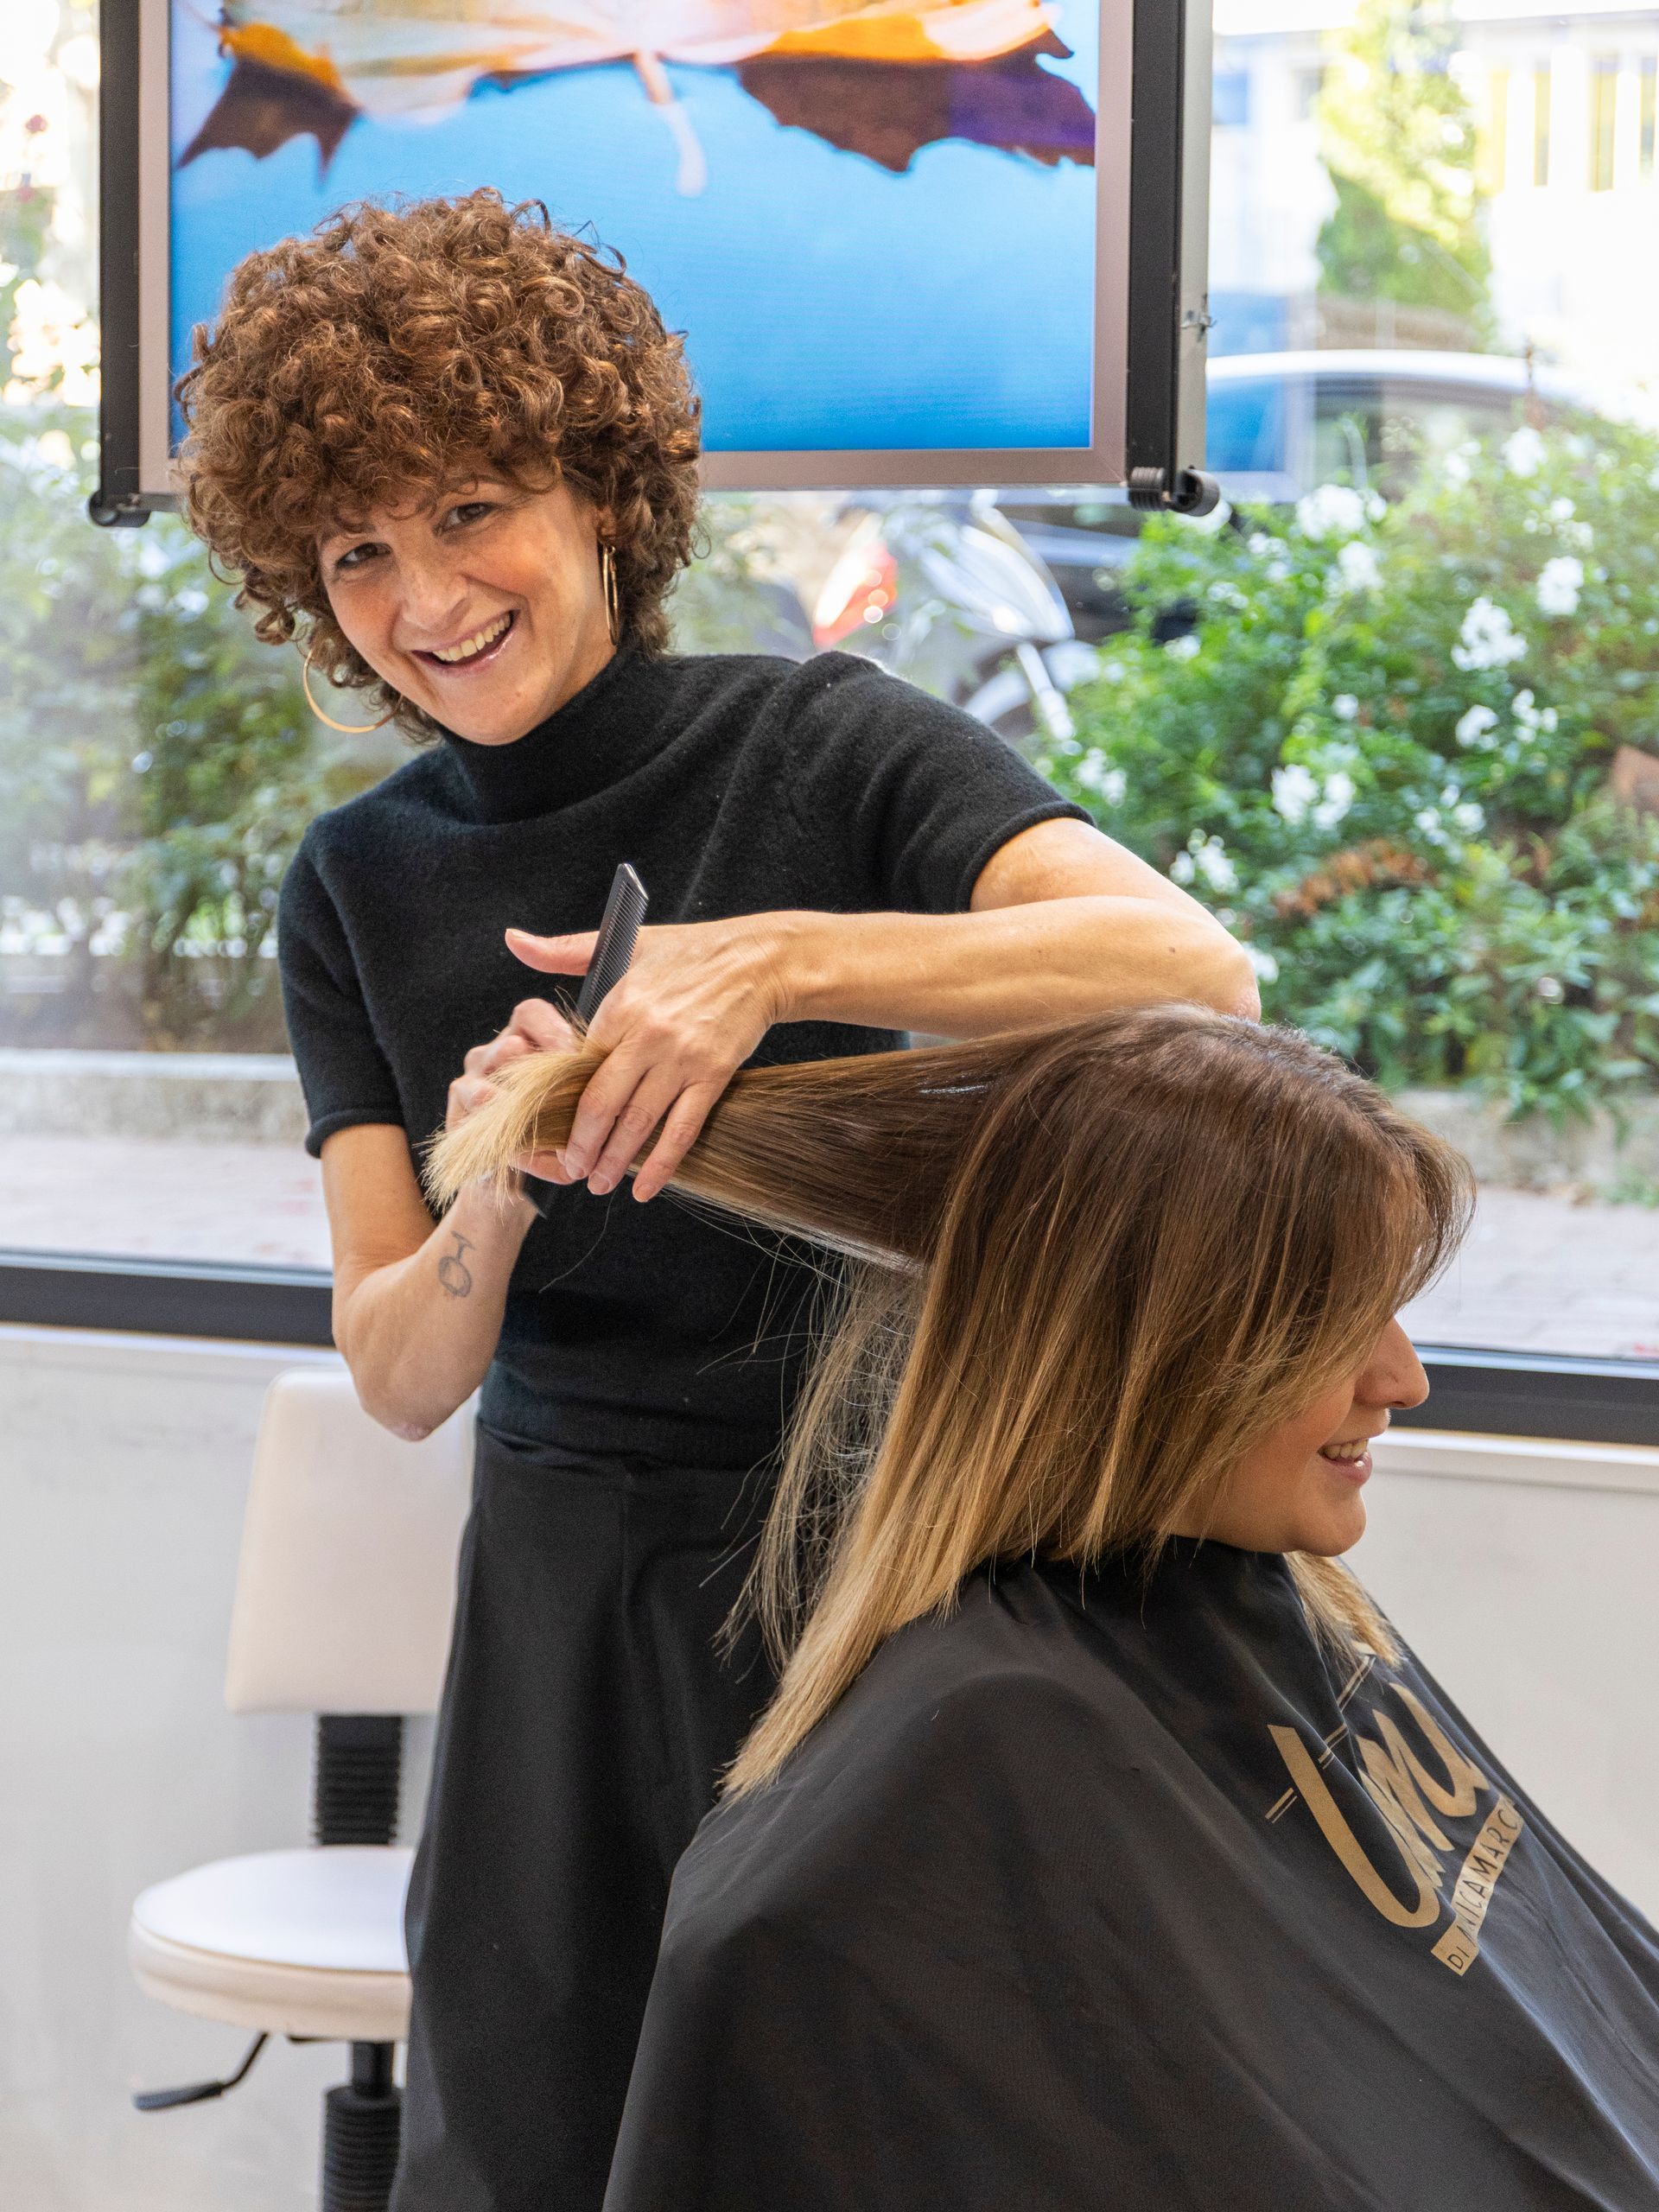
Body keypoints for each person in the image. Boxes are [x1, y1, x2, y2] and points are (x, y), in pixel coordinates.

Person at [175, 191, 1257, 2209]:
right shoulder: (355, 885)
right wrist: (494, 1189)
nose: (428, 597)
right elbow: (400, 1371)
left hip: (869, 1564)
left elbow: (1192, 972)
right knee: (531, 2138)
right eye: (358, 552)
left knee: (856, 2134)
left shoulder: (821, 745)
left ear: (603, 491)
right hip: (557, 1607)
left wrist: (779, 957)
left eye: (472, 509)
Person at [432, 1007, 1659, 2211]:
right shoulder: (971, 1762)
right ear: (1153, 1348)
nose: (1406, 1378)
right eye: (1340, 1322)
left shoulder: (1253, 1602)